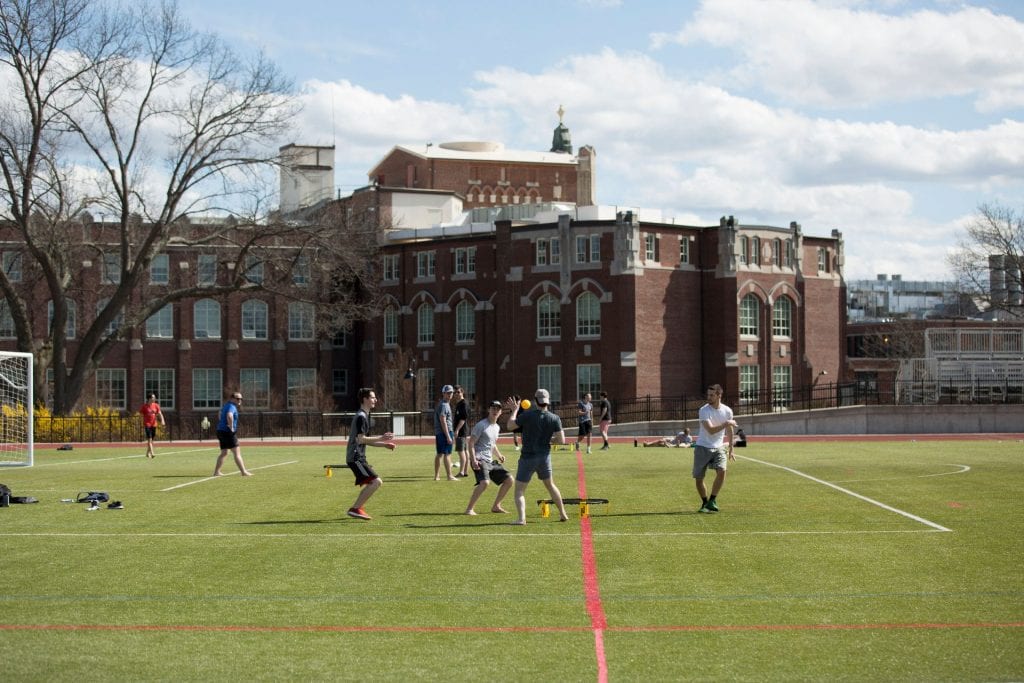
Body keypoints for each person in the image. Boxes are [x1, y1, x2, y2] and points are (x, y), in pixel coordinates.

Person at [504, 389, 569, 525]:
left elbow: (510, 425)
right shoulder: (554, 418)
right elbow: (561, 440)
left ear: (535, 400)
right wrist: (548, 441)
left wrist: (514, 410)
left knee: (519, 490)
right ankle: (563, 514)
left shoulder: (528, 415)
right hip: (544, 457)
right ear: (547, 401)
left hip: (527, 458)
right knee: (550, 485)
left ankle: (522, 519)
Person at [345, 387, 396, 520]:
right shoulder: (361, 417)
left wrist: (384, 445)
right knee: (376, 482)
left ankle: (357, 508)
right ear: (365, 399)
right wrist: (382, 438)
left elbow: (365, 441)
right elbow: (361, 439)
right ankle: (355, 508)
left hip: (358, 457)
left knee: (374, 482)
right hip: (355, 458)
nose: (375, 400)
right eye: (373, 397)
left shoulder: (364, 416)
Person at [693, 384, 737, 513]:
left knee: (722, 470)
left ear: (719, 395)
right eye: (708, 395)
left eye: (712, 395)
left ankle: (712, 500)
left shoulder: (727, 411)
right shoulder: (704, 410)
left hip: (718, 447)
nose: (709, 397)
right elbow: (711, 430)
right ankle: (705, 502)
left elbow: (729, 430)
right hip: (702, 446)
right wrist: (726, 423)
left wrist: (731, 447)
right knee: (699, 478)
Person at [464, 400, 513, 515]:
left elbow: (492, 444)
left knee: (509, 480)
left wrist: (499, 455)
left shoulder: (496, 427)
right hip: (479, 458)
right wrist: (473, 459)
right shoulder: (481, 425)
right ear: (489, 410)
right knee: (485, 482)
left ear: (501, 412)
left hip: (490, 461)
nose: (495, 411)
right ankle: (469, 509)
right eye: (493, 408)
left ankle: (496, 506)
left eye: (498, 409)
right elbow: (471, 443)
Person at [213, 392, 252, 476]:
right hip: (227, 432)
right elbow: (229, 415)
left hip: (220, 431)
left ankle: (217, 472)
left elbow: (219, 412)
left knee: (224, 453)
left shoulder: (226, 405)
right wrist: (231, 427)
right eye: (237, 398)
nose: (239, 400)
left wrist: (221, 422)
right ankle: (243, 472)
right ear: (232, 398)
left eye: (241, 399)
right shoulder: (232, 406)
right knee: (237, 452)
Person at [434, 384, 457, 481]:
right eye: (448, 393)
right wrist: (448, 436)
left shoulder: (444, 404)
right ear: (443, 393)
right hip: (444, 432)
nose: (450, 394)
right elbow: (443, 419)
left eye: (451, 393)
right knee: (447, 454)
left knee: (439, 454)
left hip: (440, 432)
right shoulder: (444, 405)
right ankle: (449, 475)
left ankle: (436, 476)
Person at [139, 393, 166, 458]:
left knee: (151, 440)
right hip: (147, 424)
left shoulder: (156, 405)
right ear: (149, 399)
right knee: (149, 439)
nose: (155, 398)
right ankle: (152, 453)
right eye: (153, 397)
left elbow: (160, 413)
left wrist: (162, 420)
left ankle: (147, 453)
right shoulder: (144, 406)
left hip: (154, 424)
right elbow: (140, 413)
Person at [452, 386, 470, 477]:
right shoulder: (459, 404)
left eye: (458, 392)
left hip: (462, 431)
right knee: (465, 451)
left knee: (461, 451)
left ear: (462, 392)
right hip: (462, 431)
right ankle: (465, 471)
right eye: (455, 392)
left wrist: (457, 430)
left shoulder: (463, 403)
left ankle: (462, 472)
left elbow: (463, 418)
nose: (456, 394)